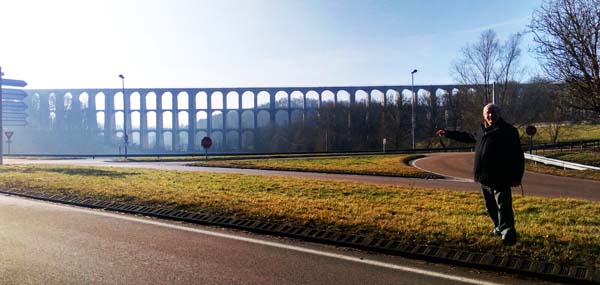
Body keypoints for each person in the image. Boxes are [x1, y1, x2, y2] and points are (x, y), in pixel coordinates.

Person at [436, 103, 524, 246]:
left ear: (499, 114)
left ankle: (508, 232)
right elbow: (466, 137)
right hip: (484, 177)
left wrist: (517, 176)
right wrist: (448, 133)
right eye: (488, 113)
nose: (490, 115)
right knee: (490, 206)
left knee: (503, 205)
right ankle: (498, 227)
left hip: (501, 175)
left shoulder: (508, 131)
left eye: (493, 112)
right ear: (484, 116)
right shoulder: (482, 130)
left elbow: (518, 155)